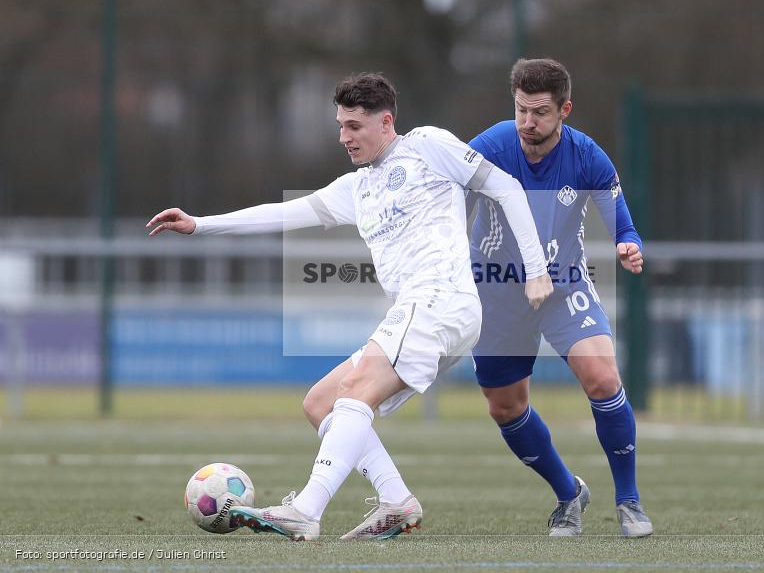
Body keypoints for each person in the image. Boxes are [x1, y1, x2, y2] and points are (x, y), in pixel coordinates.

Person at [146, 72, 553, 541]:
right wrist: (199, 225)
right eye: (340, 126)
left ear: (386, 122)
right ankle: (396, 500)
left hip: (441, 299)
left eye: (354, 126)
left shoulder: (427, 146)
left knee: (355, 391)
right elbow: (280, 215)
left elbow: (507, 188)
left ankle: (306, 509)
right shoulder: (356, 188)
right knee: (321, 403)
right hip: (422, 312)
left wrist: (536, 269)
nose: (344, 137)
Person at [466, 58, 652, 537]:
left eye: (541, 112)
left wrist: (627, 244)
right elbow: (445, 201)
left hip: (563, 284)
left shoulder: (588, 156)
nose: (528, 122)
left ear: (564, 109)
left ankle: (629, 502)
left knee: (602, 376)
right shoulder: (486, 149)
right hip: (497, 291)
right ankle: (569, 493)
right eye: (521, 110)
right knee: (505, 407)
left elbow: (621, 219)